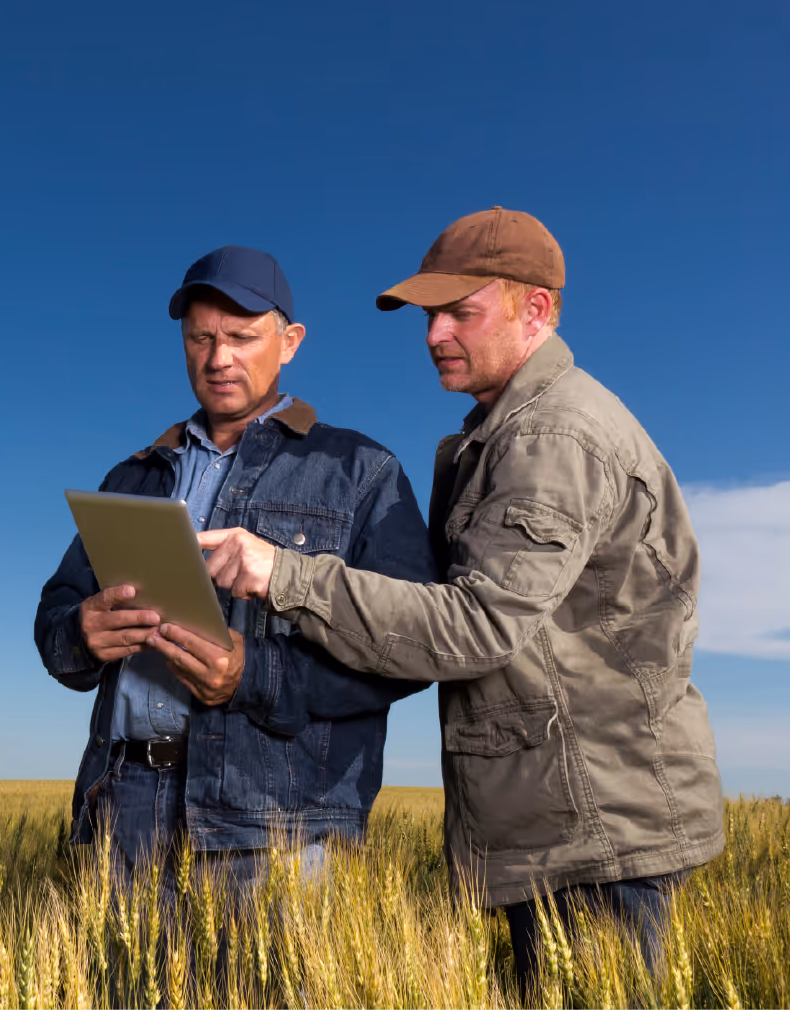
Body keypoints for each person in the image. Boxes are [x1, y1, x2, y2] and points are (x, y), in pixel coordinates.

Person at [196, 209, 724, 993]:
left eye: (461, 312)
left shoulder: (554, 437)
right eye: (427, 314)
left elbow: (478, 627)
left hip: (594, 829)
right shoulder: (505, 432)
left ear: (535, 310)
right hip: (566, 821)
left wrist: (285, 574)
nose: (435, 333)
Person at [34, 245, 436, 892]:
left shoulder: (362, 473)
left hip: (277, 824)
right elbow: (56, 615)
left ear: (290, 342)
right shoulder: (132, 476)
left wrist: (255, 674)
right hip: (125, 809)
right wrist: (80, 633)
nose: (219, 359)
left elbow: (412, 647)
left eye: (243, 338)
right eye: (201, 338)